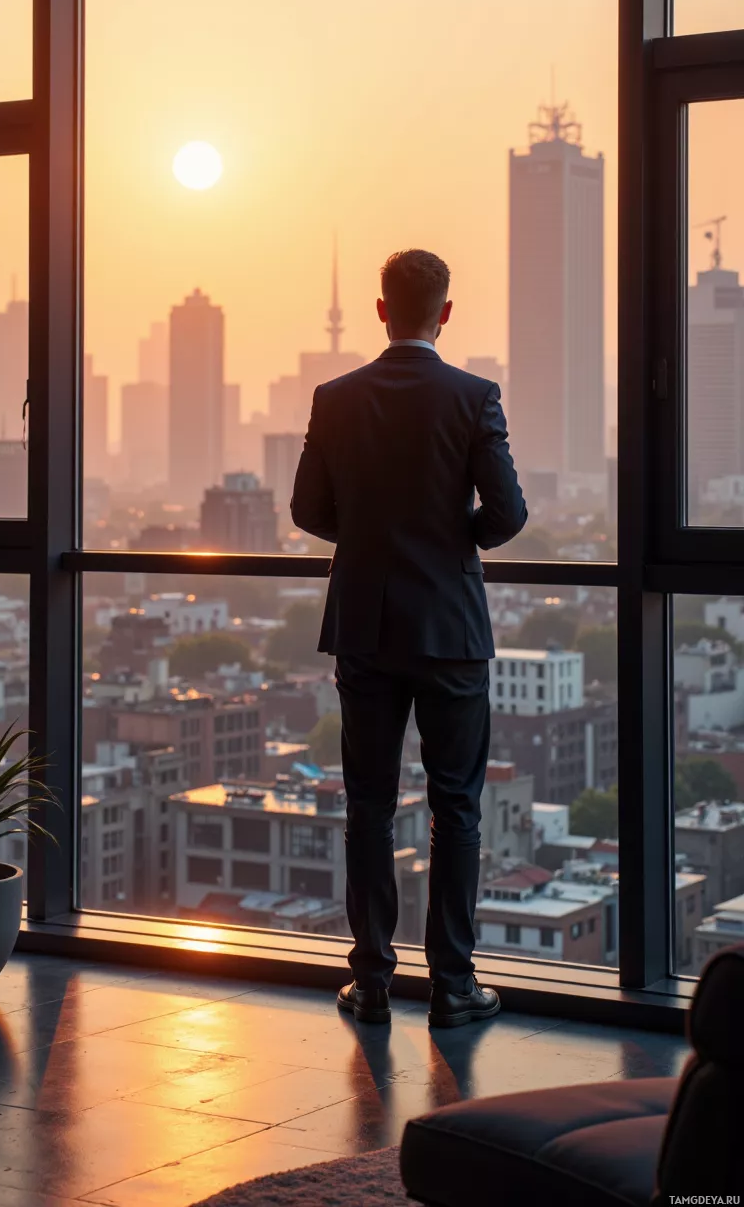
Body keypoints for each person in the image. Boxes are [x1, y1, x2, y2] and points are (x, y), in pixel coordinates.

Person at [291, 248, 526, 1028]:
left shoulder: (336, 397)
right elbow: (509, 515)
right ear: (446, 313)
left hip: (364, 623)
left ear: (382, 309)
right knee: (456, 809)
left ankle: (373, 983)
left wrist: (367, 538)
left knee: (369, 807)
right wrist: (450, 540)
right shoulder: (473, 396)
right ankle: (454, 988)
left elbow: (306, 510)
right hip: (451, 628)